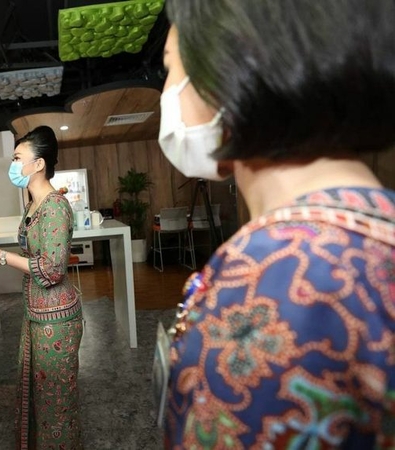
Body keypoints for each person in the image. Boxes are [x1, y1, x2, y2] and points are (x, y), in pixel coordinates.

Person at [158, 1, 395, 448]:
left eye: (171, 69)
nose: (167, 94)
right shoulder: (370, 226)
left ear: (227, 78)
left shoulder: (274, 278)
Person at [0, 126, 84, 449]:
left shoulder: (55, 207)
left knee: (56, 399)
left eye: (17, 158)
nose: (13, 165)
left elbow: (52, 269)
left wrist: (3, 257)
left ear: (38, 164)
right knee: (40, 392)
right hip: (36, 311)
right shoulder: (33, 205)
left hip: (57, 318)